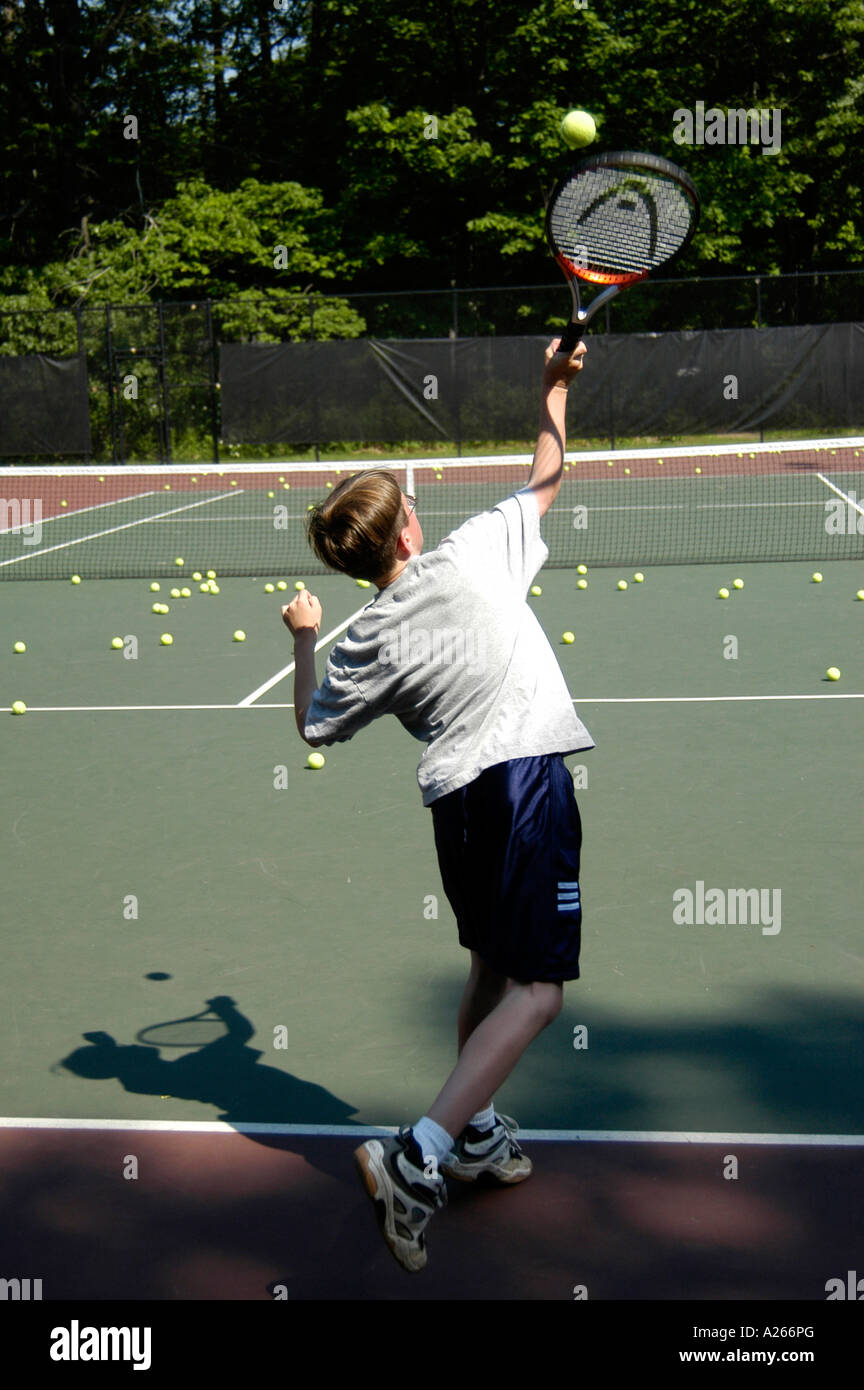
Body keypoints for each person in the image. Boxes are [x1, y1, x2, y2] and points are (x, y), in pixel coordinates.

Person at [281, 337, 594, 1272]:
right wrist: (553, 387)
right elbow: (547, 476)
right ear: (409, 533)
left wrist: (303, 637)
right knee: (539, 992)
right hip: (526, 785)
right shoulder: (476, 555)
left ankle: (476, 1131)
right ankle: (417, 1157)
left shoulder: (363, 639)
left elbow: (311, 728)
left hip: (457, 807)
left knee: (491, 969)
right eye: (411, 506)